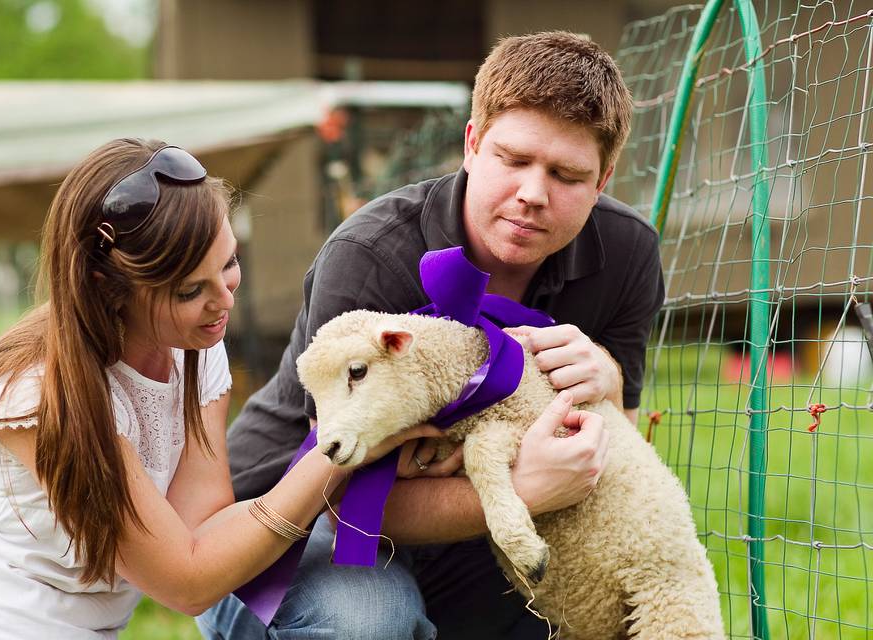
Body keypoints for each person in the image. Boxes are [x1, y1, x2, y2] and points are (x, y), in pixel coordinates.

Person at [206, 31, 665, 639]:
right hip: (294, 521)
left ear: (603, 178)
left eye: (566, 174)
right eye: (514, 159)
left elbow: (613, 452)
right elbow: (344, 488)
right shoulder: (370, 257)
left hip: (475, 526)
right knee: (369, 627)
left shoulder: (627, 254)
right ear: (472, 144)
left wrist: (604, 380)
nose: (533, 193)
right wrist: (522, 491)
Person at [0, 138, 461, 639]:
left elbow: (204, 529)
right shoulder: (40, 398)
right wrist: (342, 451)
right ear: (108, 288)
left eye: (229, 264)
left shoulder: (193, 346)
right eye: (189, 290)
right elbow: (188, 583)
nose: (223, 301)